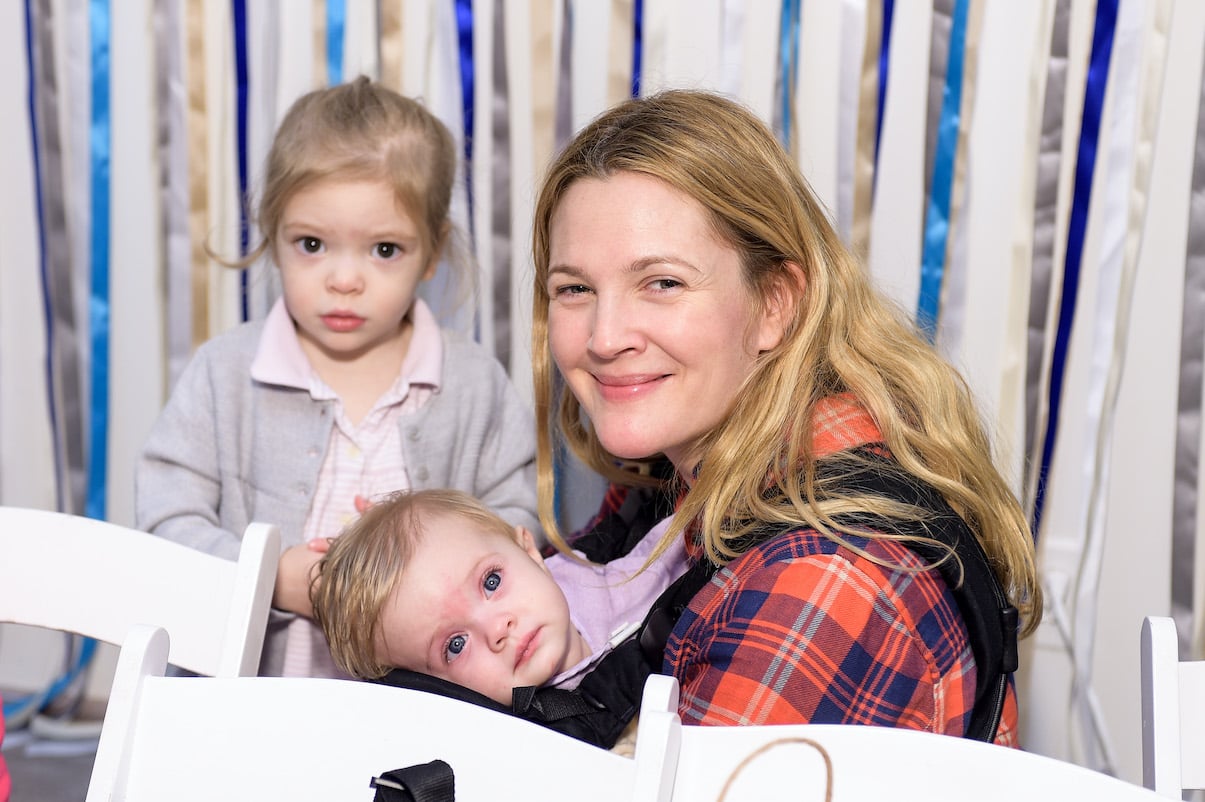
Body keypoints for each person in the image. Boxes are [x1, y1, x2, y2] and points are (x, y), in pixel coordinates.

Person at [529, 89, 1042, 745]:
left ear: (774, 304)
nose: (603, 338)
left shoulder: (824, 574)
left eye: (661, 283)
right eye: (574, 289)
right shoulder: (682, 475)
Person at [135, 77, 539, 677]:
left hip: (419, 706)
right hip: (252, 703)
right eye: (313, 244)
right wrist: (271, 577)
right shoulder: (224, 375)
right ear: (273, 236)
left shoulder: (473, 384)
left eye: (383, 250)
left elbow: (518, 521)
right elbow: (165, 523)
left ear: (432, 251)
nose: (344, 279)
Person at [310, 488, 685, 709]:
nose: (496, 629)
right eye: (455, 645)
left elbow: (688, 537)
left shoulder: (607, 577)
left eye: (491, 582)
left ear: (530, 551)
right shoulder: (517, 740)